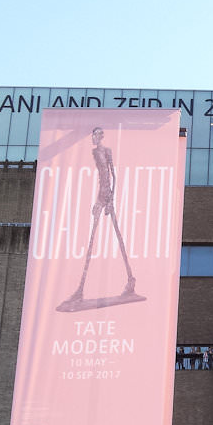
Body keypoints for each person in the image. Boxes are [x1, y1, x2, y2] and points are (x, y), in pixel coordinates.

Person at [57, 127, 140, 311]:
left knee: (116, 237)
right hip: (102, 196)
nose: (93, 138)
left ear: (100, 136)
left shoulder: (106, 152)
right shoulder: (95, 152)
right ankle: (81, 290)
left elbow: (112, 176)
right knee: (94, 240)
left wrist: (110, 200)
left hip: (106, 196)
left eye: (96, 135)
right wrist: (99, 200)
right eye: (92, 135)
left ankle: (129, 280)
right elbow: (103, 178)